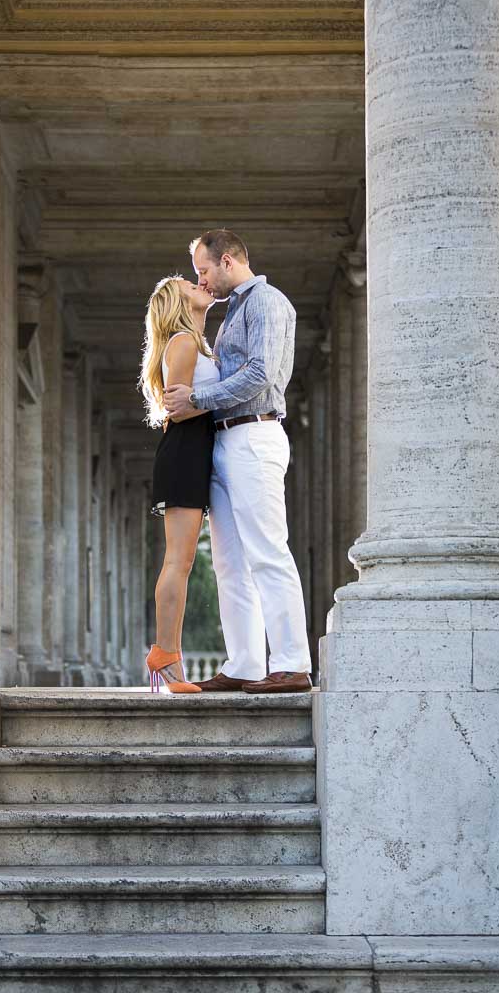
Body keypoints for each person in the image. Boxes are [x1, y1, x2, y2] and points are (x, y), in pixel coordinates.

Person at [164, 229, 312, 694]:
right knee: (229, 563)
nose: (202, 281)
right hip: (226, 441)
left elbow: (261, 373)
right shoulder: (231, 314)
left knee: (268, 551)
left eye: (203, 271)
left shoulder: (266, 300)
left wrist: (197, 398)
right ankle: (245, 663)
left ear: (227, 261)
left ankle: (292, 662)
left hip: (255, 433)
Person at [140, 275, 219, 693]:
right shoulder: (185, 343)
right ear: (178, 301)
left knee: (181, 561)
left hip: (192, 453)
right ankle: (166, 655)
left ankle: (168, 655)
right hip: (185, 452)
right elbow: (179, 409)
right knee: (179, 561)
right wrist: (228, 394)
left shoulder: (193, 343)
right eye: (189, 284)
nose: (199, 284)